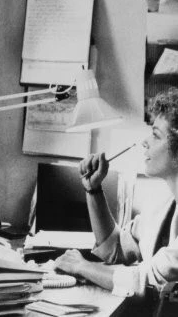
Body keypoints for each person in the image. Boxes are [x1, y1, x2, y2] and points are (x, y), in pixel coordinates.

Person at [55, 88, 178, 300]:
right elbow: (116, 248)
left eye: (156, 135)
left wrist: (82, 266)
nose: (145, 141)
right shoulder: (164, 202)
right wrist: (93, 190)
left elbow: (148, 281)